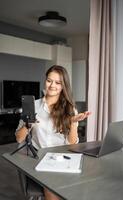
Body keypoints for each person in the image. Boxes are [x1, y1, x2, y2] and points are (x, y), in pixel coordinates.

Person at [15, 65, 91, 200]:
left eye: (58, 82)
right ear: (45, 81)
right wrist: (28, 124)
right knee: (52, 186)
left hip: (63, 158)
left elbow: (72, 143)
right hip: (40, 159)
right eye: (49, 81)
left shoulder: (70, 109)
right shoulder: (33, 105)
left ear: (63, 86)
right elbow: (19, 139)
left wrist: (73, 122)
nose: (52, 85)